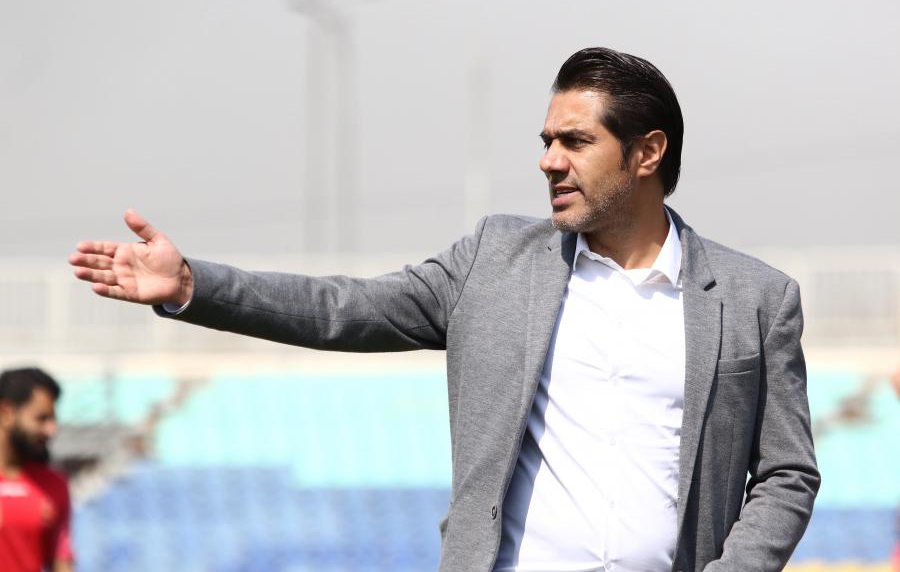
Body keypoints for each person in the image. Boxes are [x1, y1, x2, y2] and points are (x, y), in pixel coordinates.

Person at [68, 47, 819, 572]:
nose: (549, 160)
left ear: (647, 153)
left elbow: (787, 473)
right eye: (546, 141)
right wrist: (192, 284)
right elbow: (344, 308)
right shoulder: (495, 260)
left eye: (575, 141)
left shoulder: (756, 298)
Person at [0, 367, 74, 572]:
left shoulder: (54, 485)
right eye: (42, 418)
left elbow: (62, 564)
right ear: (6, 413)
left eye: (53, 419)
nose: (51, 429)